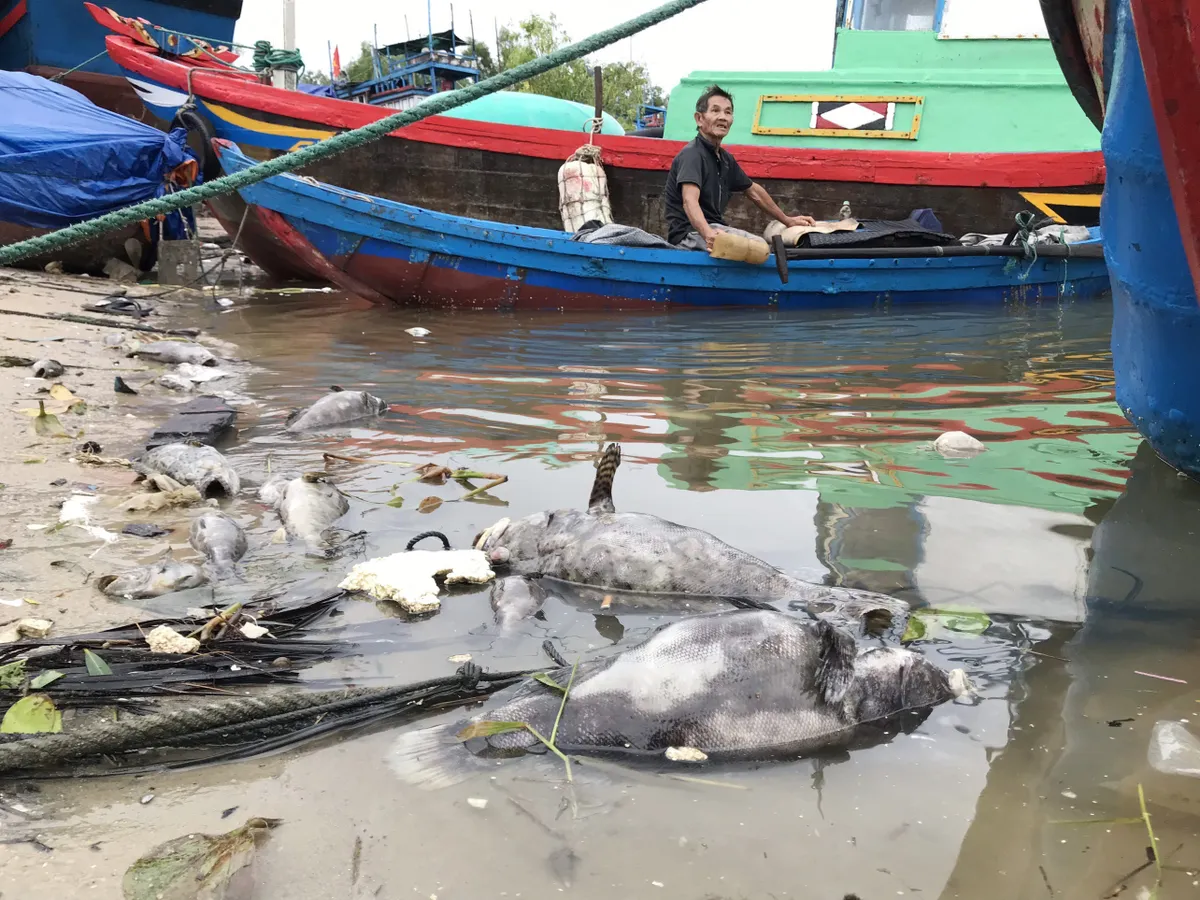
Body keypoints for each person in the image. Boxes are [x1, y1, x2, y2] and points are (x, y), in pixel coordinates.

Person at [664, 84, 815, 251]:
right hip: (690, 235)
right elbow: (689, 200)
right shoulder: (692, 154)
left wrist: (788, 220)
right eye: (715, 111)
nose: (723, 117)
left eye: (728, 112)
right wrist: (708, 234)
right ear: (699, 119)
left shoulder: (724, 158)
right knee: (760, 247)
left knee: (770, 245)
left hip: (713, 228)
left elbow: (754, 192)